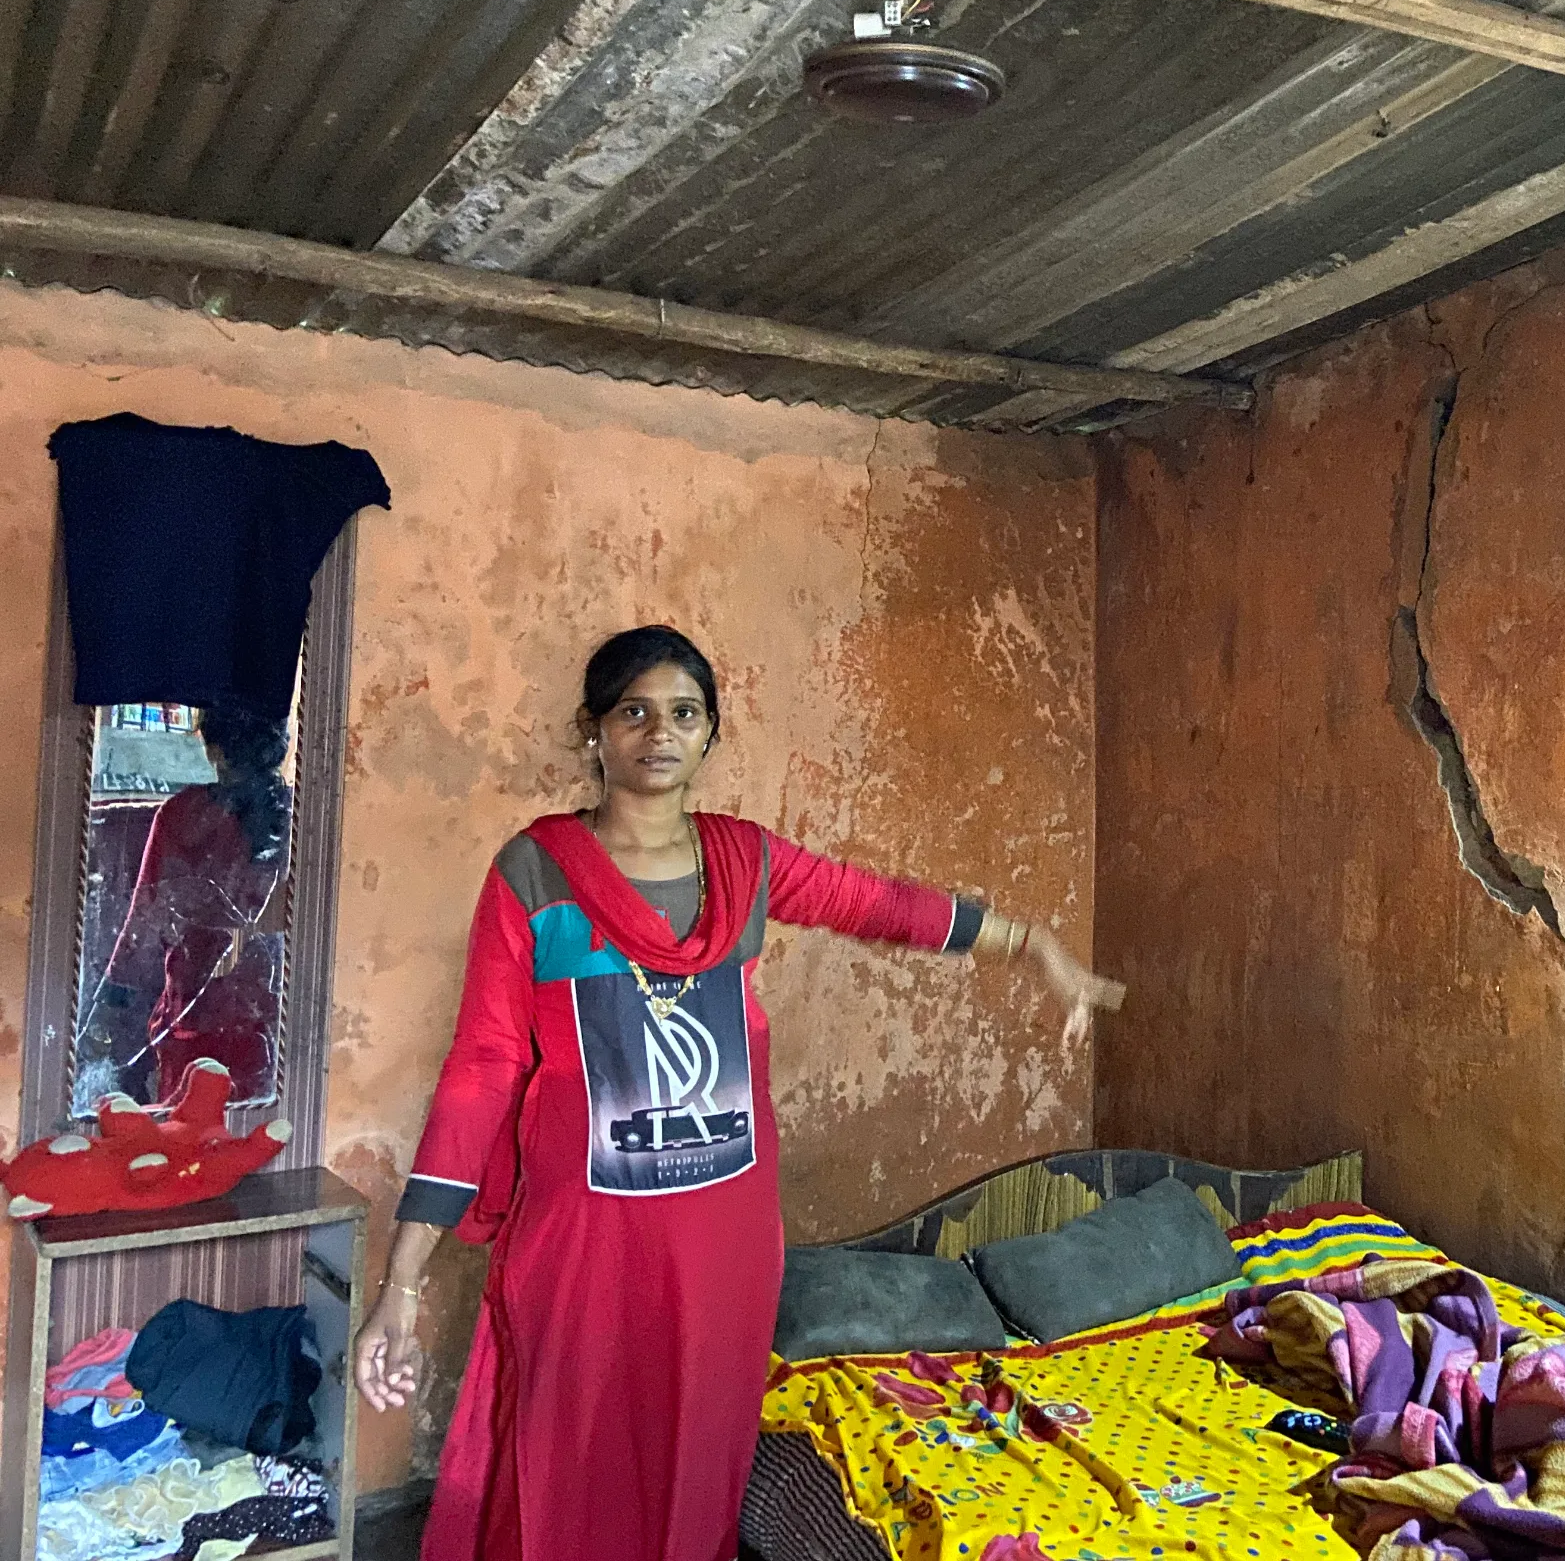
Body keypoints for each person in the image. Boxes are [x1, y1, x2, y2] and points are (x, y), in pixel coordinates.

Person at [352, 626, 1123, 1561]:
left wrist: (1032, 944)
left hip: (723, 1234)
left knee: (698, 1453)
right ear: (592, 732)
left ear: (711, 734)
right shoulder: (536, 870)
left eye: (683, 712)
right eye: (631, 710)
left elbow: (878, 906)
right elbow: (481, 1070)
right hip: (584, 1235)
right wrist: (402, 1280)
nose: (658, 732)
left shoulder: (744, 863)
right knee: (568, 1445)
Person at [80, 703, 293, 1109]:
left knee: (184, 1140)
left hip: (195, 1016)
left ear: (213, 748)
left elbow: (145, 926)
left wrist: (108, 1005)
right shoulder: (301, 818)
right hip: (274, 1016)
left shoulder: (184, 815)